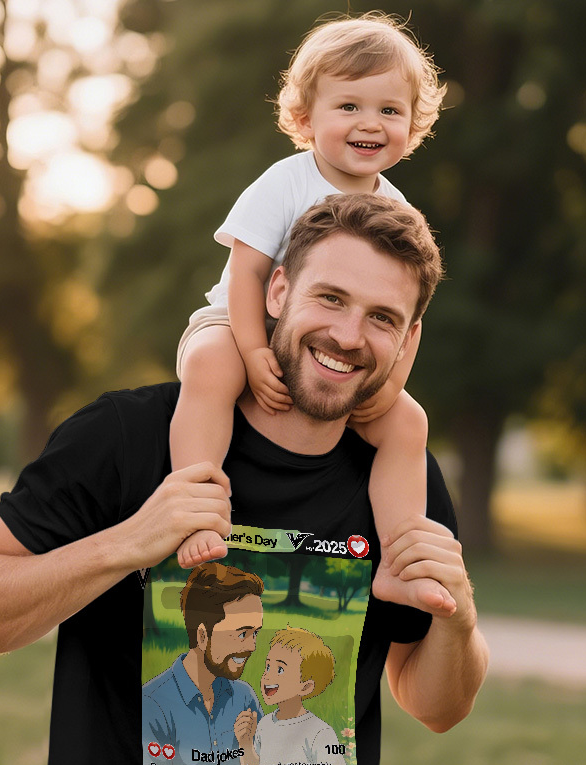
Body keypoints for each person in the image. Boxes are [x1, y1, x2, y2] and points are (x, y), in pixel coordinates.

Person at [0, 193, 489, 765]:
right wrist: (131, 541)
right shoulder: (127, 439)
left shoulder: (399, 482)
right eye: (331, 298)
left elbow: (436, 703)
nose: (349, 336)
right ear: (278, 291)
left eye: (383, 317)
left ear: (410, 339)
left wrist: (456, 619)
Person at [171, 12, 447, 572]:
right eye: (349, 106)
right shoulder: (285, 182)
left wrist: (390, 382)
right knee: (210, 368)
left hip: (335, 351)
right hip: (239, 321)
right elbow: (248, 275)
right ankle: (195, 510)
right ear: (305, 116)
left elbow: (409, 315)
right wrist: (253, 352)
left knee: (408, 423)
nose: (369, 123)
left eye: (389, 111)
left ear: (412, 127)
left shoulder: (399, 213)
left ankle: (402, 560)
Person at [142, 562, 264, 765]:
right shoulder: (153, 704)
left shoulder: (245, 697)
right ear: (202, 636)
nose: (251, 646)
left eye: (255, 633)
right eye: (242, 634)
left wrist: (246, 746)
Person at [240, 627, 348, 765]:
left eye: (280, 669)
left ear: (306, 686)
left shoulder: (320, 732)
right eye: (268, 666)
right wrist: (245, 743)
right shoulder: (264, 725)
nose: (267, 676)